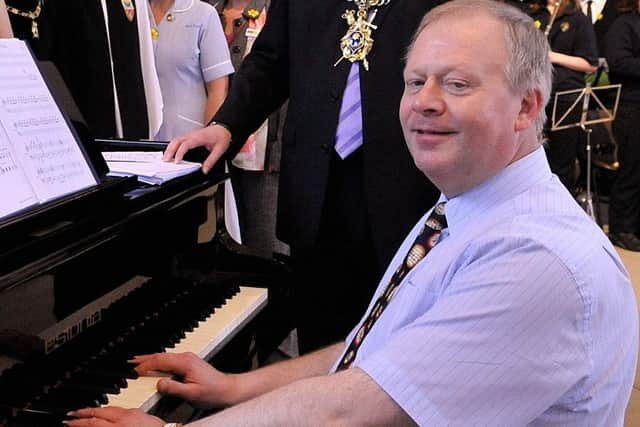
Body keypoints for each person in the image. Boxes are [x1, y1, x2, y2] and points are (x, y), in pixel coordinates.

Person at [67, 1, 638, 425]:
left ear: (526, 105)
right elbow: (375, 350)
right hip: (322, 195)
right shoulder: (465, 208)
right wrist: (236, 387)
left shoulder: (533, 257)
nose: (425, 101)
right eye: (415, 81)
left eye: (457, 84)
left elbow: (361, 408)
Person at [163, 0, 442, 353]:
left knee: (402, 353)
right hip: (316, 193)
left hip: (414, 194)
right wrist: (227, 125)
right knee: (320, 349)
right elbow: (270, 61)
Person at [529, 0, 598, 195]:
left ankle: (558, 205)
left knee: (561, 161)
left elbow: (590, 64)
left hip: (565, 96)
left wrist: (552, 56)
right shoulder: (535, 15)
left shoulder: (578, 19)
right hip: (534, 94)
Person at [148, 0, 232, 140]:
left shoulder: (204, 14)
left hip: (188, 140)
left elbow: (218, 89)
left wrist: (207, 143)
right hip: (139, 141)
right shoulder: (135, 10)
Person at [605, 0, 640, 251]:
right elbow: (618, 62)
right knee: (631, 168)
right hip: (631, 107)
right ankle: (621, 228)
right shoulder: (623, 25)